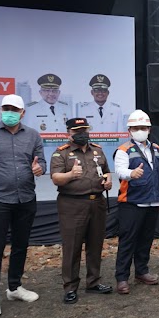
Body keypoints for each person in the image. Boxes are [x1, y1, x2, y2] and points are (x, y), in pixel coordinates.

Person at [0, 94, 45, 318]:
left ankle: (14, 287)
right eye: (6, 108)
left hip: (25, 199)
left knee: (21, 245)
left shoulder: (33, 135)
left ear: (23, 113)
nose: (9, 112)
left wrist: (39, 168)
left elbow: (40, 161)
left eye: (14, 109)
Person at [50, 118, 114, 304]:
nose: (82, 133)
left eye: (84, 130)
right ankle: (70, 287)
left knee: (95, 245)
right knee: (72, 247)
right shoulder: (61, 153)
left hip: (97, 203)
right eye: (77, 130)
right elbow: (55, 178)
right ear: (68, 133)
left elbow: (106, 171)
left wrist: (108, 181)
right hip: (72, 205)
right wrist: (70, 175)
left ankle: (93, 282)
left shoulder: (98, 150)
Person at [114, 110, 159, 294]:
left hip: (152, 202)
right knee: (128, 240)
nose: (140, 131)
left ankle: (142, 271)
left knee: (146, 239)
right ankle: (122, 278)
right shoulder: (123, 150)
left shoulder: (156, 149)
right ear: (129, 130)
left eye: (143, 128)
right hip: (132, 202)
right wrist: (131, 174)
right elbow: (119, 170)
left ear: (149, 129)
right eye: (136, 128)